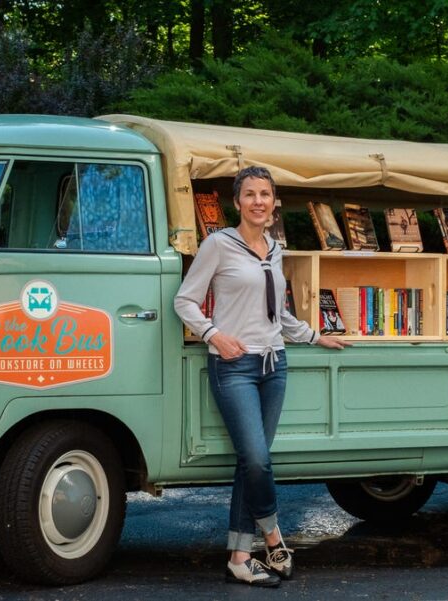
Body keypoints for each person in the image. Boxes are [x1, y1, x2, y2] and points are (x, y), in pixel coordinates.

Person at [174, 166, 350, 587]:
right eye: (249, 194)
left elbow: (277, 311)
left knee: (249, 465)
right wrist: (214, 335)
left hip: (275, 365)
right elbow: (185, 300)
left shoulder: (274, 248)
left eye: (265, 194)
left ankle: (239, 556)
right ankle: (273, 536)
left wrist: (312, 336)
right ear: (237, 202)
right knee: (256, 458)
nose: (258, 201)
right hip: (234, 366)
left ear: (274, 202)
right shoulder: (218, 244)